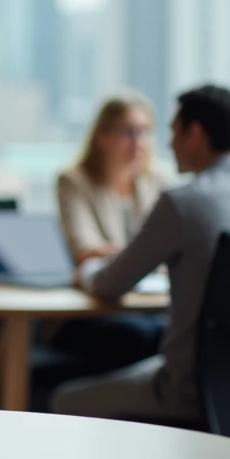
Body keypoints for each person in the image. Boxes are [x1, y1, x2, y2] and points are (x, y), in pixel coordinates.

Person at [50, 85, 230, 421]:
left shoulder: (184, 202)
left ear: (194, 134)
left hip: (190, 389)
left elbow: (109, 284)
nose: (167, 145)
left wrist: (86, 272)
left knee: (63, 401)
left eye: (172, 132)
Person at [49, 93, 169, 370]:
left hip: (148, 305)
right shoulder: (74, 181)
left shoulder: (158, 180)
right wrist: (153, 255)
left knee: (171, 331)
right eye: (128, 132)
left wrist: (134, 255)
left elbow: (174, 245)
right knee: (135, 335)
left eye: (145, 132)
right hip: (91, 311)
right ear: (102, 136)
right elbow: (84, 249)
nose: (139, 142)